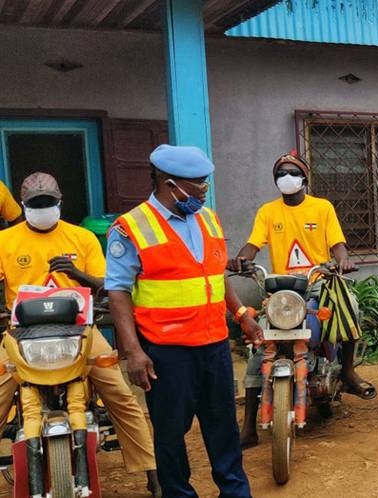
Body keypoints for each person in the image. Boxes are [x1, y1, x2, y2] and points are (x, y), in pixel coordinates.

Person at [106, 145, 261, 498]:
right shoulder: (131, 227)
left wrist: (241, 315)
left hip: (215, 344)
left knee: (223, 427)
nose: (203, 191)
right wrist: (133, 351)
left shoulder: (208, 218)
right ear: (168, 182)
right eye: (197, 185)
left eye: (205, 184)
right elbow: (117, 291)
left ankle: (236, 492)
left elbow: (216, 276)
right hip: (167, 352)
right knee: (171, 433)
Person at [0, 173, 160, 496]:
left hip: (80, 332)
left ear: (60, 203)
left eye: (48, 203)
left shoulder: (83, 238)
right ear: (23, 206)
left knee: (120, 395)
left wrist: (75, 274)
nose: (43, 208)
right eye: (36, 204)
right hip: (21, 336)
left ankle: (153, 474)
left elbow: (107, 285)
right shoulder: (5, 241)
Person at [227, 152, 371, 448]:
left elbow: (338, 245)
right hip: (281, 291)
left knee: (350, 307)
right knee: (261, 345)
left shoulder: (322, 207)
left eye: (292, 172)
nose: (286, 178)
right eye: (280, 173)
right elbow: (253, 245)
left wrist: (342, 262)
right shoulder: (268, 211)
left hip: (318, 284)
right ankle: (249, 426)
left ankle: (347, 370)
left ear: (304, 177)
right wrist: (242, 260)